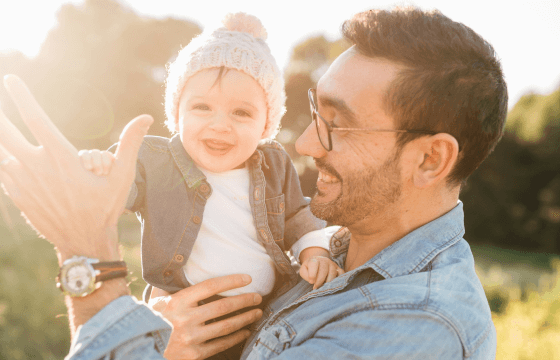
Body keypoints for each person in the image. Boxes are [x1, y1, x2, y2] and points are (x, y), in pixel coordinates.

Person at [0, 6, 507, 360]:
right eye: (314, 112)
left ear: (430, 159)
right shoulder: (341, 249)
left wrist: (87, 255)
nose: (305, 144)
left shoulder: (416, 324)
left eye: (337, 122)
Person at [77, 13, 341, 318]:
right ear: (178, 114)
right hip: (187, 313)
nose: (220, 125)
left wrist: (316, 254)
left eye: (241, 113)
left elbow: (297, 216)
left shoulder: (273, 164)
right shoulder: (155, 160)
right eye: (202, 107)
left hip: (266, 311)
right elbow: (116, 191)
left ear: (265, 125)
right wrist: (99, 170)